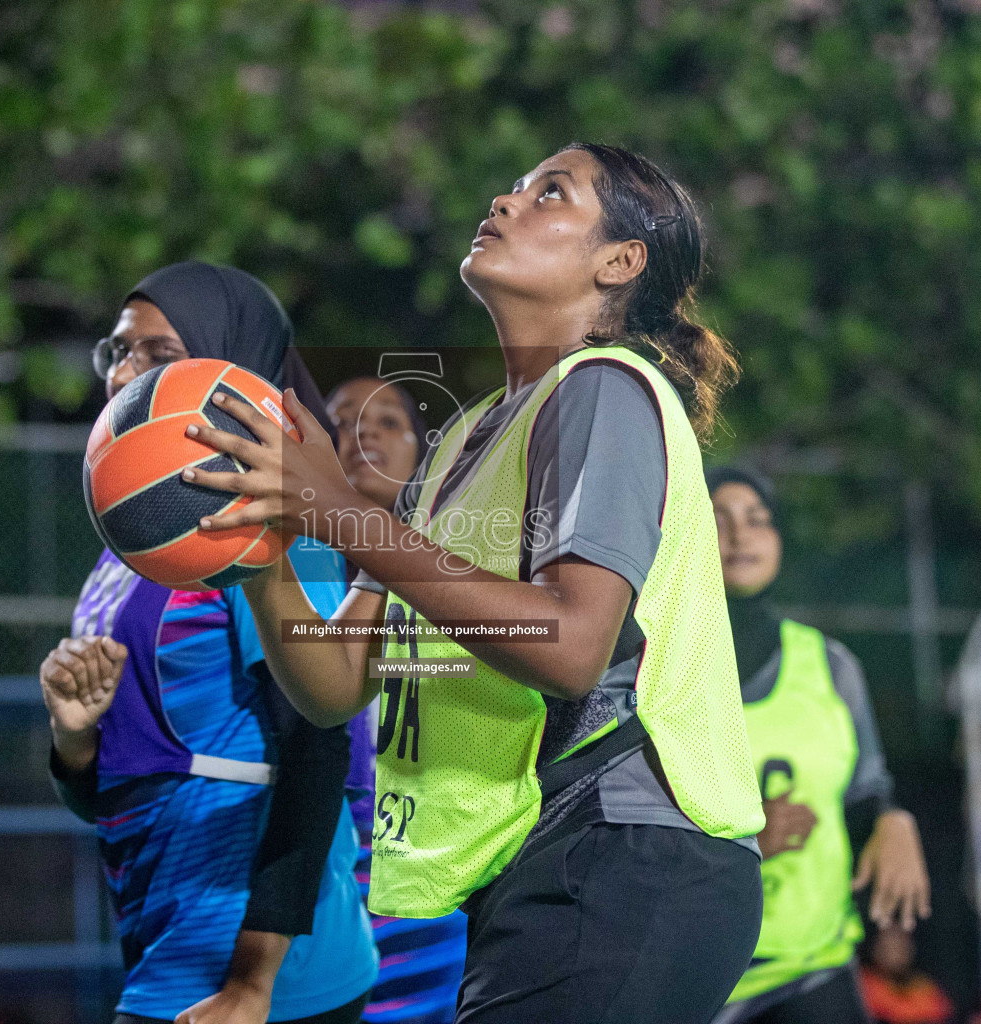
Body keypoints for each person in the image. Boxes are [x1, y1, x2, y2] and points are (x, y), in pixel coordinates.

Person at [182, 143, 767, 1024]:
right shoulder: (457, 448)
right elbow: (337, 685)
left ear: (619, 262)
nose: (506, 198)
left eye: (550, 193)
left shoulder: (604, 390)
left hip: (632, 853)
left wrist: (339, 511)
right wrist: (262, 553)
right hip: (547, 867)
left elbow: (572, 647)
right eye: (518, 186)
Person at [40, 261, 378, 1024]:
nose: (127, 372)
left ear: (230, 367)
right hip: (167, 946)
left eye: (160, 355)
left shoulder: (271, 527)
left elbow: (320, 743)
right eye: (118, 352)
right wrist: (73, 738)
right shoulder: (137, 542)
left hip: (268, 970)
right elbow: (124, 785)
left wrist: (254, 982)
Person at [707, 466, 932, 1024]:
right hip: (700, 975)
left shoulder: (829, 666)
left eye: (758, 521)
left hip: (814, 967)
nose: (741, 535)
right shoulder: (654, 664)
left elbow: (864, 790)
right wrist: (744, 842)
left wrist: (891, 819)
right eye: (719, 519)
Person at [325, 376, 469, 1024]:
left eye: (388, 420)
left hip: (431, 883)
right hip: (320, 882)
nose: (365, 434)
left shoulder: (468, 569)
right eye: (344, 421)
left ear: (424, 451)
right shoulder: (279, 576)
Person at [858, 927, 955, 1024]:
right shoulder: (864, 984)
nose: (896, 953)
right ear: (874, 949)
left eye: (900, 946)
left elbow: (940, 1012)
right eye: (888, 947)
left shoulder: (922, 984)